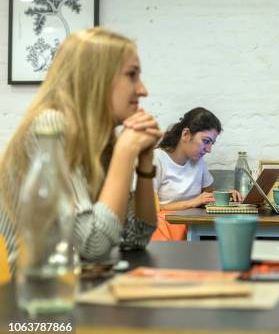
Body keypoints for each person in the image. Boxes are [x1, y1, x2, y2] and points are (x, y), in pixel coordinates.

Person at [0, 28, 162, 272]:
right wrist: (125, 152)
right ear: (96, 78)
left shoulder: (99, 139)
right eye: (132, 75)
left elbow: (135, 237)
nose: (142, 90)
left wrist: (145, 164)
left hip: (71, 292)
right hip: (32, 300)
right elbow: (93, 244)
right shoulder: (50, 127)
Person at [151, 107, 242, 241]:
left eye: (212, 143)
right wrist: (193, 202)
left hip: (193, 227)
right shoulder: (156, 160)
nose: (209, 149)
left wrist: (225, 195)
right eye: (206, 141)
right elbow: (153, 209)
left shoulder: (198, 162)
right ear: (186, 134)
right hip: (165, 228)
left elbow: (208, 192)